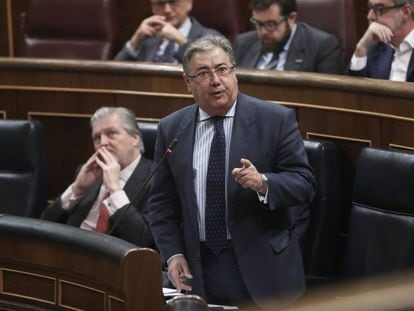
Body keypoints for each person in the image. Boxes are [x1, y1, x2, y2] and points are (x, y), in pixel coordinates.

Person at [149, 35, 315, 308]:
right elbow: (161, 204)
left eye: (222, 69)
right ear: (187, 83)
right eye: (203, 73)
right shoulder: (171, 128)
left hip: (263, 269)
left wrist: (263, 182)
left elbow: (305, 184)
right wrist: (174, 254)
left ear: (234, 73)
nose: (216, 80)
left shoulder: (275, 120)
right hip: (200, 269)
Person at [42, 107, 154, 247]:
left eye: (111, 133)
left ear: (135, 138)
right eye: (97, 138)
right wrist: (77, 188)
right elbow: (45, 225)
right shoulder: (89, 174)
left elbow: (146, 241)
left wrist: (115, 191)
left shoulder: (157, 179)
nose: (103, 143)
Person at [233, 0, 342, 74]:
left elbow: (325, 99)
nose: (263, 32)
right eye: (258, 23)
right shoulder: (243, 43)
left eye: (270, 24)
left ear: (291, 18)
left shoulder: (322, 47)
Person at [114, 0, 220, 63]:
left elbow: (211, 71)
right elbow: (113, 75)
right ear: (153, 8)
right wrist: (135, 40)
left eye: (173, 2)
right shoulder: (147, 38)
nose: (167, 10)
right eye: (160, 3)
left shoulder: (210, 37)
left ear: (189, 3)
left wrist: (182, 41)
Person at [348, 0, 414, 82]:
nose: (370, 16)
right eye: (370, 8)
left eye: (379, 9)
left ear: (405, 12)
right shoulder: (375, 47)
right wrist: (361, 48)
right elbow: (354, 91)